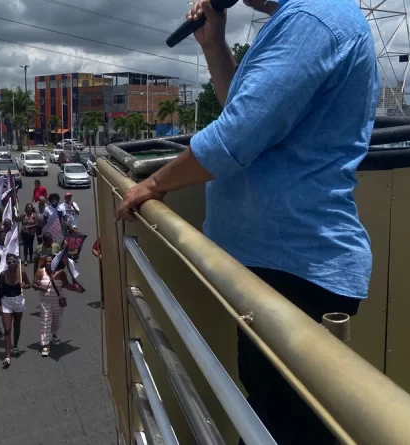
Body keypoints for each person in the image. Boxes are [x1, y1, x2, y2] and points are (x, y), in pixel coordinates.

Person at [116, 0, 378, 443]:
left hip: (297, 269)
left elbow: (236, 136)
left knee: (281, 426)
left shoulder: (312, 20)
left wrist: (154, 184)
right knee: (269, 416)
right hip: (280, 266)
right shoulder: (303, 19)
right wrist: (213, 44)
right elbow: (247, 113)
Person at [32, 254, 83, 357]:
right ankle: (45, 345)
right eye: (46, 262)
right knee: (45, 322)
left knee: (56, 321)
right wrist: (40, 288)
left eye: (50, 262)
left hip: (57, 302)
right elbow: (34, 284)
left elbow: (66, 284)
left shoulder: (61, 273)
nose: (48, 263)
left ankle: (54, 335)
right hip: (45, 302)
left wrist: (77, 289)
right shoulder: (40, 272)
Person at [0, 254, 31, 367]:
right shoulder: (3, 275)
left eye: (13, 261)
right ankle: (7, 356)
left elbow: (29, 284)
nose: (11, 264)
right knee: (7, 329)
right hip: (6, 302)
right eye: (9, 262)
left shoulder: (22, 273)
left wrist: (23, 286)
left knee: (17, 325)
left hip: (18, 301)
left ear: (17, 262)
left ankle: (15, 346)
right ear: (6, 264)